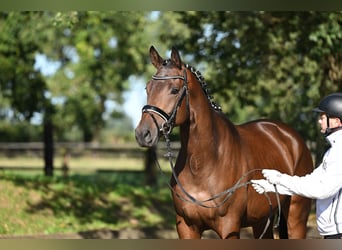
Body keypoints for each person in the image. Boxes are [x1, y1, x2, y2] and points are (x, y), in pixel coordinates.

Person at [251, 93, 342, 239]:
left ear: (336, 121)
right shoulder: (333, 150)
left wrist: (280, 178)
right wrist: (273, 187)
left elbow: (322, 190)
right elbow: (311, 180)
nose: (319, 121)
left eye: (323, 117)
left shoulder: (339, 152)